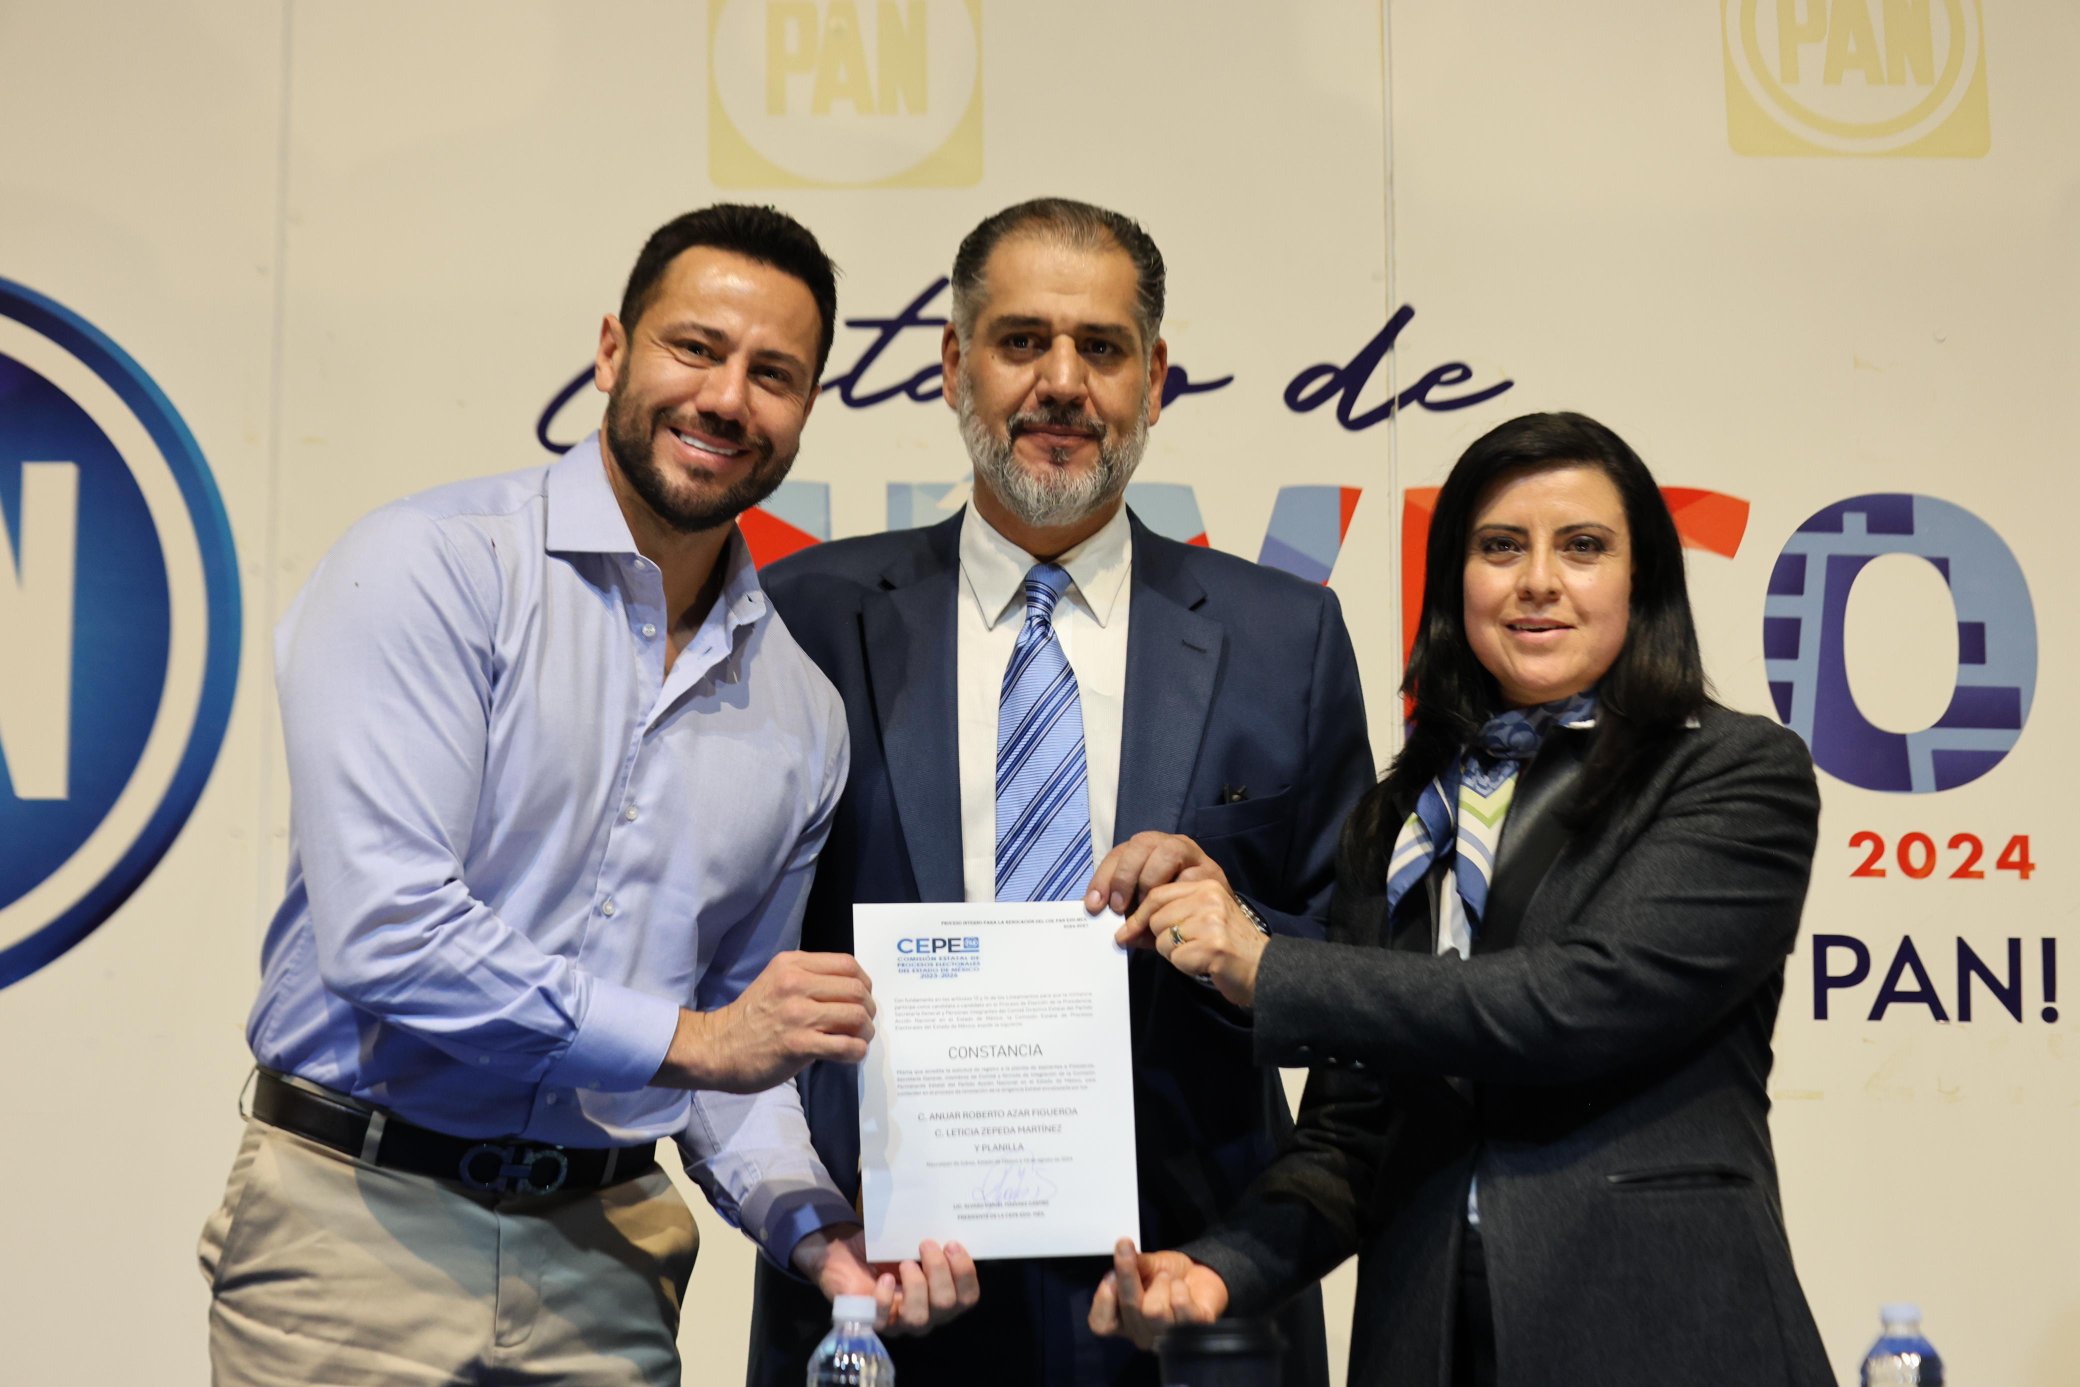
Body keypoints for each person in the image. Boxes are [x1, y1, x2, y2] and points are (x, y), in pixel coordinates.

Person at [197, 204, 965, 1387]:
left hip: (608, 1263)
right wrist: (699, 1040)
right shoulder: (434, 567)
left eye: (773, 374)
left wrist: (819, 1230)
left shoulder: (800, 712)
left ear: (808, 408)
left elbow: (733, 1053)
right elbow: (390, 933)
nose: (726, 398)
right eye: (694, 347)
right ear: (612, 350)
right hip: (356, 1232)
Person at [752, 197, 1372, 1387]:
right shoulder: (806, 618)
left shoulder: (1282, 637)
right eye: (1022, 341)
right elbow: (737, 952)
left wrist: (1234, 934)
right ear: (953, 367)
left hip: (1182, 1293)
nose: (1062, 382)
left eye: (1101, 347)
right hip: (881, 1287)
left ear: (1155, 379)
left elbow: (1355, 973)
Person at [1089, 411, 1834, 1386]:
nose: (1538, 579)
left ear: (1642, 577)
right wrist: (1219, 1270)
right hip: (1427, 1337)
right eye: (1500, 546)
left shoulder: (1732, 771)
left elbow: (1574, 1001)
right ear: (1455, 580)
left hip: (1664, 1327)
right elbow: (1355, 1130)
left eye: (1582, 546)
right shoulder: (1403, 817)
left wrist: (1268, 964)